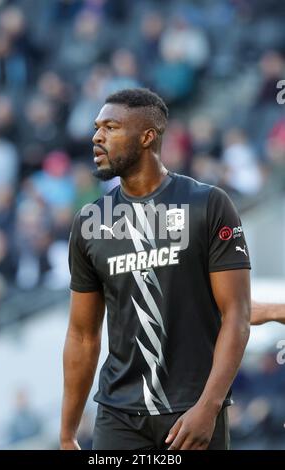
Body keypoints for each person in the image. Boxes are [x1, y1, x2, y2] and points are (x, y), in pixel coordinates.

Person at [60, 88, 253, 451]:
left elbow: (236, 315)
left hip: (190, 413)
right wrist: (67, 433)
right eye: (97, 127)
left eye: (111, 127)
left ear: (148, 137)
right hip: (116, 415)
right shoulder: (89, 221)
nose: (96, 137)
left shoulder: (208, 204)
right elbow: (83, 336)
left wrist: (209, 407)